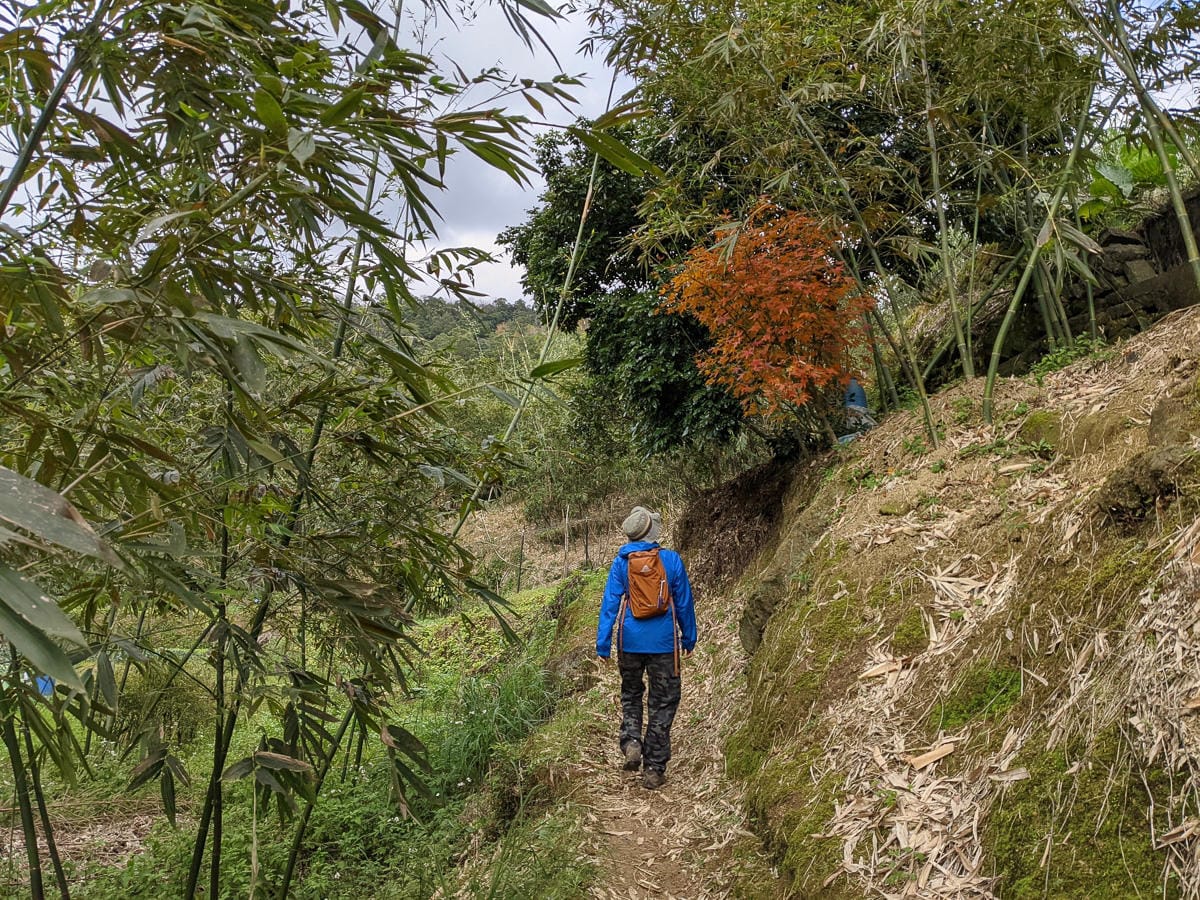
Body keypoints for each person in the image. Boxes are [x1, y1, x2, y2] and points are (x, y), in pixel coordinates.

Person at [596, 506, 697, 790]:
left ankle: (631, 742)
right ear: (653, 532)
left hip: (629, 642)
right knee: (662, 703)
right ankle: (653, 768)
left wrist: (603, 644)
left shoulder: (621, 563)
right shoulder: (671, 560)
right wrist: (689, 637)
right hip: (664, 644)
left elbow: (610, 605)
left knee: (631, 694)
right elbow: (685, 603)